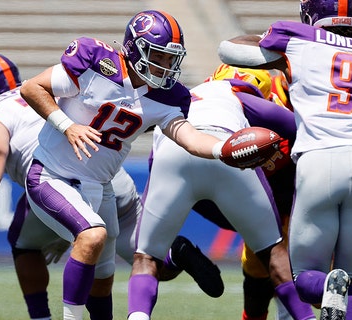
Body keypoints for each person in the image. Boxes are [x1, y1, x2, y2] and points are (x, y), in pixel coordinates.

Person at [0, 53, 223, 319]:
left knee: (24, 243)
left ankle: (41, 316)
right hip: (106, 172)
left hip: (58, 176)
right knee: (145, 258)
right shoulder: (48, 85)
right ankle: (174, 253)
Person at [19, 10, 229, 320]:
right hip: (52, 174)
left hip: (100, 185)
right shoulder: (95, 62)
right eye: (160, 56)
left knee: (105, 276)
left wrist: (225, 149)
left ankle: (175, 255)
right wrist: (67, 126)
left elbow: (190, 139)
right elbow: (31, 88)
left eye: (172, 58)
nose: (167, 66)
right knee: (92, 236)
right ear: (135, 50)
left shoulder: (169, 97)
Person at [217, 0, 352, 319]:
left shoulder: (299, 41)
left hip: (318, 159)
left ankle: (326, 287)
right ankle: (340, 290)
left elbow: (229, 51)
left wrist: (269, 38)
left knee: (305, 281)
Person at [129, 62, 314, 320]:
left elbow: (154, 160)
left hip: (171, 158)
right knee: (274, 252)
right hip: (225, 150)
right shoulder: (238, 96)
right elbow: (299, 129)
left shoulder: (181, 95)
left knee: (145, 259)